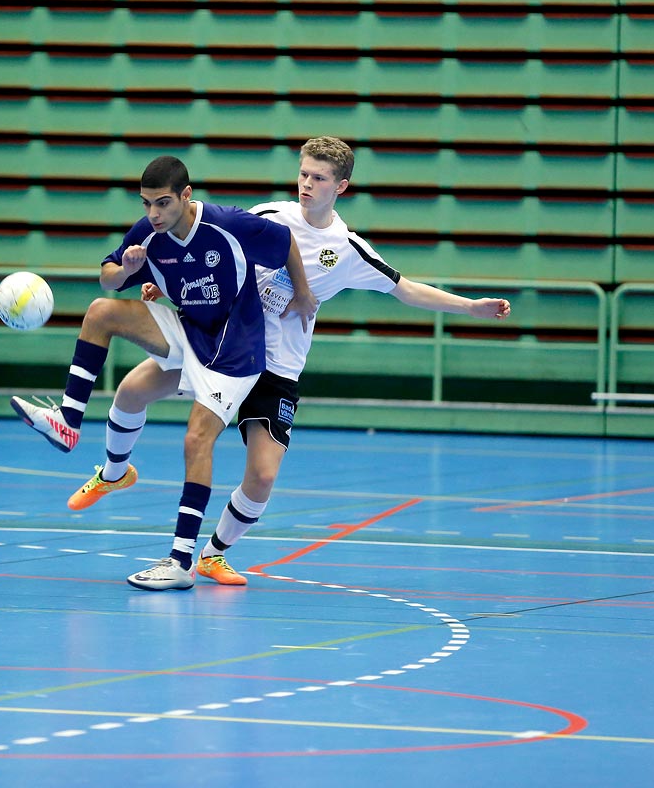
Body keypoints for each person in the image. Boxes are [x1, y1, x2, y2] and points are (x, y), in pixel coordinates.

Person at [60, 136, 512, 587]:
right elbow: (206, 255)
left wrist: (471, 307)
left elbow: (406, 289)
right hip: (219, 341)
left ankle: (213, 554)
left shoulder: (348, 249)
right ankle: (114, 473)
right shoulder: (268, 214)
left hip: (276, 368)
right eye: (303, 174)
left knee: (261, 475)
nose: (307, 184)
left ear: (342, 187)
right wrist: (166, 283)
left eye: (319, 178)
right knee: (133, 390)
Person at [9, 154, 317, 591]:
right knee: (104, 320)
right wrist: (128, 270)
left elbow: (284, 241)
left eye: (163, 203)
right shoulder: (149, 233)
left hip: (235, 351)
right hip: (190, 331)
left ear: (186, 196)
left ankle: (181, 562)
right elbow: (108, 279)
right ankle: (71, 425)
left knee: (196, 438)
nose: (153, 214)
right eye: (146, 203)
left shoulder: (227, 225)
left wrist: (303, 294)